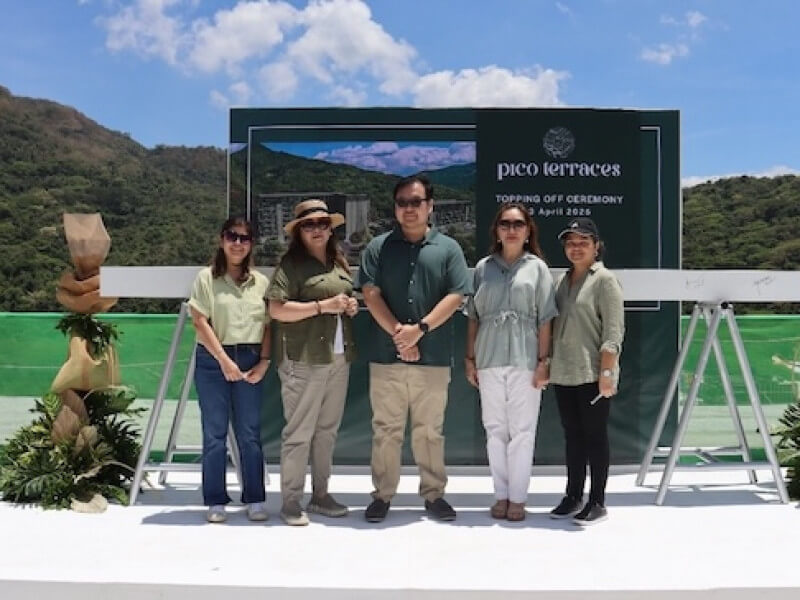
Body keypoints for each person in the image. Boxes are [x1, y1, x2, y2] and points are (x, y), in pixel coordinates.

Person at [357, 174, 472, 523]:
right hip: (385, 355)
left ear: (430, 206)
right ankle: (382, 495)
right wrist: (399, 334)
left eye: (416, 202)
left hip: (434, 356)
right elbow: (370, 293)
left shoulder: (449, 248)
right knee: (386, 430)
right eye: (403, 202)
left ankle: (434, 494)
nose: (409, 209)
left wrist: (419, 330)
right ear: (395, 207)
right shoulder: (377, 247)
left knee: (430, 431)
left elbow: (456, 295)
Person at [267, 199, 358, 526]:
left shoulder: (339, 262)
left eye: (322, 223)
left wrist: (347, 306)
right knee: (299, 432)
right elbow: (276, 310)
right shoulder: (290, 267)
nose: (317, 229)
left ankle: (321, 495)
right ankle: (291, 501)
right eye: (309, 224)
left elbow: (342, 299)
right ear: (299, 232)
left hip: (337, 357)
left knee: (326, 432)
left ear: (331, 228)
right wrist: (322, 306)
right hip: (303, 359)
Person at [465, 203, 557, 521]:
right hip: (489, 357)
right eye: (505, 223)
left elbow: (545, 318)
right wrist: (470, 358)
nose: (512, 229)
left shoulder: (538, 269)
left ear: (528, 229)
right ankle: (500, 495)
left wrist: (544, 360)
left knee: (523, 430)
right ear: (497, 229)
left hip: (525, 357)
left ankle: (518, 497)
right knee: (494, 429)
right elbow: (473, 317)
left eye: (518, 223)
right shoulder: (483, 268)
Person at [188, 217, 270, 524]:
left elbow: (268, 326)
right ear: (222, 240)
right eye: (232, 237)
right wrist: (224, 361)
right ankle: (215, 499)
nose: (238, 243)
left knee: (250, 433)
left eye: (245, 238)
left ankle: (255, 498)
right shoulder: (206, 279)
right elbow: (199, 321)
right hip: (213, 360)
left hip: (250, 358)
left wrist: (264, 361)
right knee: (214, 434)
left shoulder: (261, 283)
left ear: (251, 244)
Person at [545, 217, 624, 526]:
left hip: (593, 374)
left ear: (596, 246)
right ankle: (573, 495)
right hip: (564, 372)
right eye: (570, 243)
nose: (576, 248)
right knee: (573, 437)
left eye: (583, 242)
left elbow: (614, 331)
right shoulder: (562, 282)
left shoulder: (604, 280)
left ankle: (597, 500)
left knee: (595, 438)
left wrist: (607, 374)